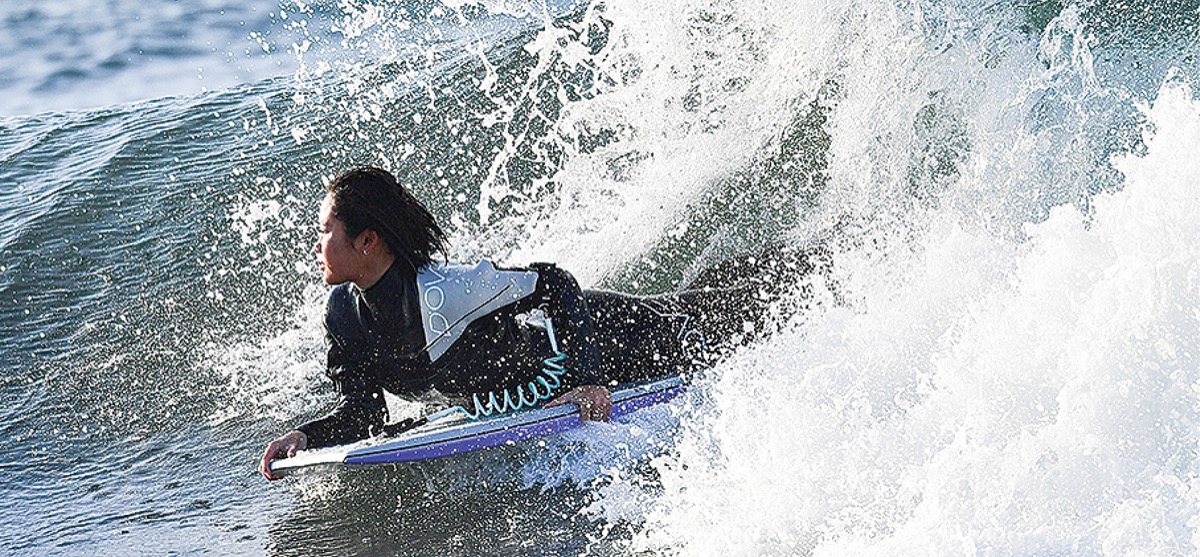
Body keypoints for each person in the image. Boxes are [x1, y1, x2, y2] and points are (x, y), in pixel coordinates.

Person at [259, 167, 822, 480]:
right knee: (710, 305)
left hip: (616, 339)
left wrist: (587, 378)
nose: (317, 243)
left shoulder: (446, 291)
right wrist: (306, 437)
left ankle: (821, 265)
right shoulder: (345, 319)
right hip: (558, 376)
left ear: (367, 240)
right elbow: (367, 413)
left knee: (739, 315)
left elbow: (555, 282)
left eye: (327, 230)